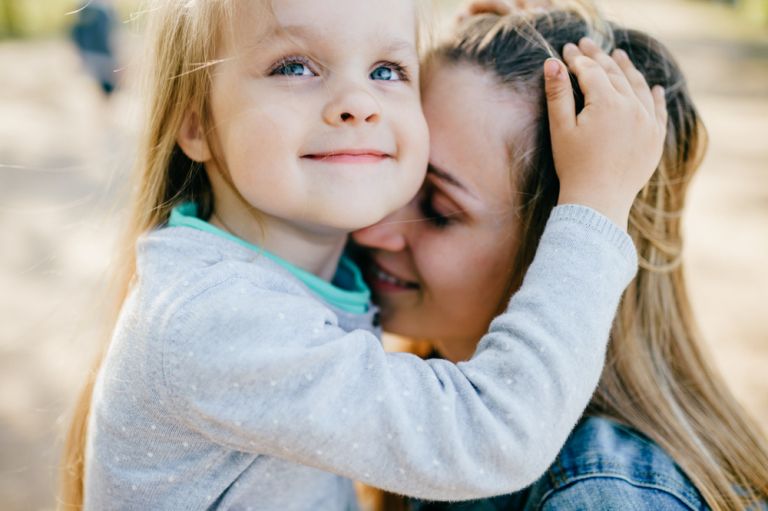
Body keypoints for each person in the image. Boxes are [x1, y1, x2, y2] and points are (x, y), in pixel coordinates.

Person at [57, 0, 668, 509]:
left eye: (386, 70)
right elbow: (490, 438)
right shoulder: (214, 320)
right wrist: (594, 205)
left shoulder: (274, 265)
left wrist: (494, 46)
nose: (358, 102)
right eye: (294, 66)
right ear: (196, 124)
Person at [353, 4, 768, 511]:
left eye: (439, 209)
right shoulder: (438, 400)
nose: (370, 228)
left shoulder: (601, 496)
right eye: (386, 167)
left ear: (567, 246)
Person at [70, 0, 119, 97]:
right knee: (102, 80)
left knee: (98, 80)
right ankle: (105, 99)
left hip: (91, 53)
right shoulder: (104, 10)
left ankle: (104, 99)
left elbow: (76, 32)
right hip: (101, 54)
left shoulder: (83, 8)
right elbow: (110, 35)